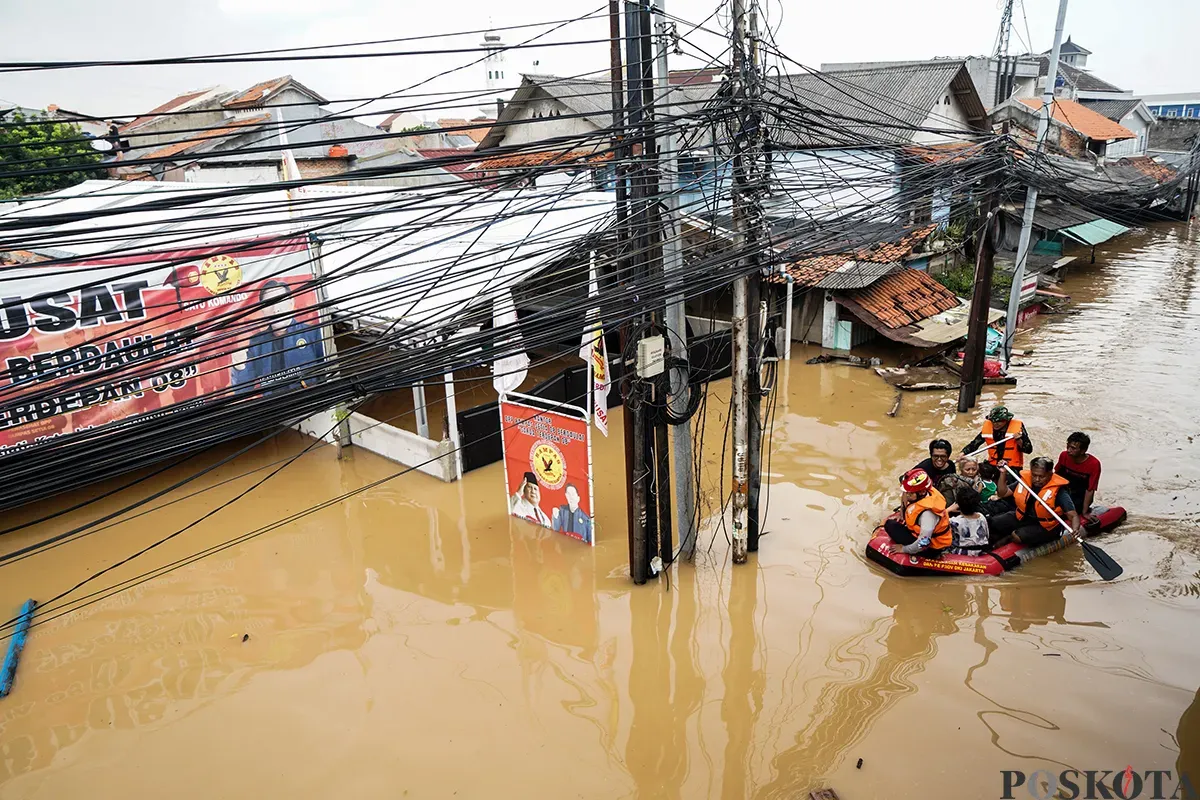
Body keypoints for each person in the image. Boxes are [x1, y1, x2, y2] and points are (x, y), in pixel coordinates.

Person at [231, 280, 323, 395]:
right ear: (262, 310)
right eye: (269, 304)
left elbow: (326, 373)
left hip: (309, 404)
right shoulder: (257, 342)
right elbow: (242, 390)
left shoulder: (312, 333)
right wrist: (238, 366)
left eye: (280, 301)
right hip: (273, 408)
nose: (276, 309)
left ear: (291, 303)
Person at [988, 457, 1080, 548]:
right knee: (994, 522)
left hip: (1046, 526)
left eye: (1041, 476)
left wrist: (1075, 529)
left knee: (1016, 536)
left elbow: (1073, 515)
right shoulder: (1025, 481)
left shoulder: (1059, 492)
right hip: (1023, 517)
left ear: (1050, 474)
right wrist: (1003, 473)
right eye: (1034, 475)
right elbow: (1002, 493)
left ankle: (1008, 538)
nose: (1037, 479)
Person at [883, 468, 953, 558]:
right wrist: (902, 514)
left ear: (922, 492)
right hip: (925, 535)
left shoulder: (927, 514)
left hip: (931, 547)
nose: (907, 496)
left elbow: (923, 543)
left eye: (910, 494)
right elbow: (905, 495)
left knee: (890, 525)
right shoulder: (928, 491)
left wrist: (904, 549)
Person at [963, 405, 1033, 469]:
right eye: (993, 421)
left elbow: (1028, 450)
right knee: (977, 470)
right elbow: (974, 444)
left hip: (1011, 467)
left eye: (999, 421)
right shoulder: (989, 428)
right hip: (993, 464)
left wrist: (1018, 440)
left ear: (1006, 420)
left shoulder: (1018, 429)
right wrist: (963, 453)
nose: (995, 424)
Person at [1055, 431, 1101, 516]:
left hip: (1079, 495)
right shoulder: (1064, 455)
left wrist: (1085, 512)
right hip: (1064, 490)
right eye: (1068, 446)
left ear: (1083, 450)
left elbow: (1090, 490)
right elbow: (1055, 476)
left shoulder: (1094, 464)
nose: (1069, 450)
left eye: (1073, 448)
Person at [948, 486, 990, 555]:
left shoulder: (954, 522)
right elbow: (987, 536)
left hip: (963, 555)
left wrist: (948, 510)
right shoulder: (981, 517)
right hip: (981, 552)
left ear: (958, 505)